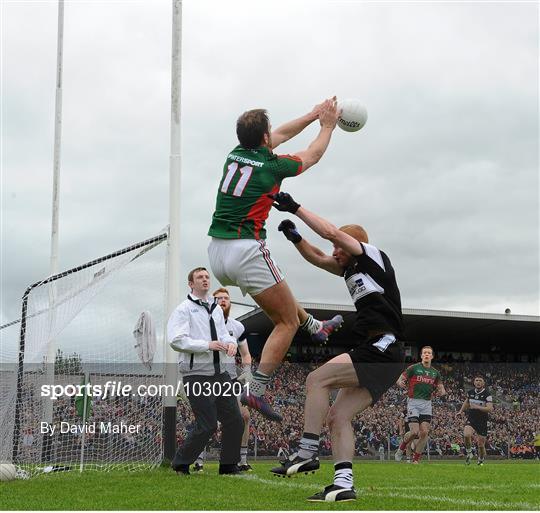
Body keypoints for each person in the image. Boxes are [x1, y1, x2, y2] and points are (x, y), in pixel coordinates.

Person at [207, 99, 344, 421]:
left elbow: (281, 132)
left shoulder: (235, 154)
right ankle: (257, 390)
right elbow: (312, 155)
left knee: (281, 290)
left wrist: (312, 114)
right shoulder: (272, 167)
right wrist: (326, 125)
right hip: (246, 249)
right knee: (286, 322)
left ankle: (317, 326)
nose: (275, 134)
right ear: (265, 139)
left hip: (216, 251)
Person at [268, 191, 405, 502]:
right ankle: (343, 484)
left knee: (316, 379)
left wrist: (297, 208)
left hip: (382, 347)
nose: (334, 250)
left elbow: (330, 232)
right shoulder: (349, 269)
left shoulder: (371, 256)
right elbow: (318, 257)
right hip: (383, 352)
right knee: (337, 417)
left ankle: (306, 451)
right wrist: (296, 239)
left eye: (338, 247)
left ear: (349, 244)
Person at [167, 267, 244, 475]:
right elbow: (176, 340)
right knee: (208, 424)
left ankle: (228, 466)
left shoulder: (216, 309)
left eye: (207, 277)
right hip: (196, 374)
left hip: (220, 374)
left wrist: (231, 343)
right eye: (200, 277)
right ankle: (180, 462)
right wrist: (207, 345)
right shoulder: (183, 309)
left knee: (235, 420)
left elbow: (224, 335)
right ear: (191, 284)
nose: (205, 279)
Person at [192, 287, 253, 473]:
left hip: (230, 379)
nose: (223, 301)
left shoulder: (237, 327)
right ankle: (198, 460)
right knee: (207, 419)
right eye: (218, 298)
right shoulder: (203, 325)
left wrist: (248, 370)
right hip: (207, 377)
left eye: (226, 298)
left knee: (243, 416)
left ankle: (241, 460)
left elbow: (246, 354)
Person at [395, 346, 446, 464]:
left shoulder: (435, 373)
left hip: (427, 404)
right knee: (414, 432)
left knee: (424, 433)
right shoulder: (414, 368)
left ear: (432, 356)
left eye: (429, 353)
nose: (427, 354)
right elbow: (400, 378)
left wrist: (442, 392)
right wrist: (400, 383)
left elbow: (441, 388)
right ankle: (401, 447)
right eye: (425, 353)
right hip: (413, 402)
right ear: (422, 356)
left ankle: (416, 459)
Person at [456, 376, 493, 465]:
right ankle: (469, 453)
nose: (478, 382)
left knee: (480, 445)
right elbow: (467, 401)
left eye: (480, 380)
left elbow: (489, 409)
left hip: (482, 421)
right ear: (474, 382)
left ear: (483, 383)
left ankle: (480, 460)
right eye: (476, 380)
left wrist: (477, 407)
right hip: (471, 419)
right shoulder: (471, 392)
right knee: (466, 434)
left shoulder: (487, 395)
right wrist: (461, 411)